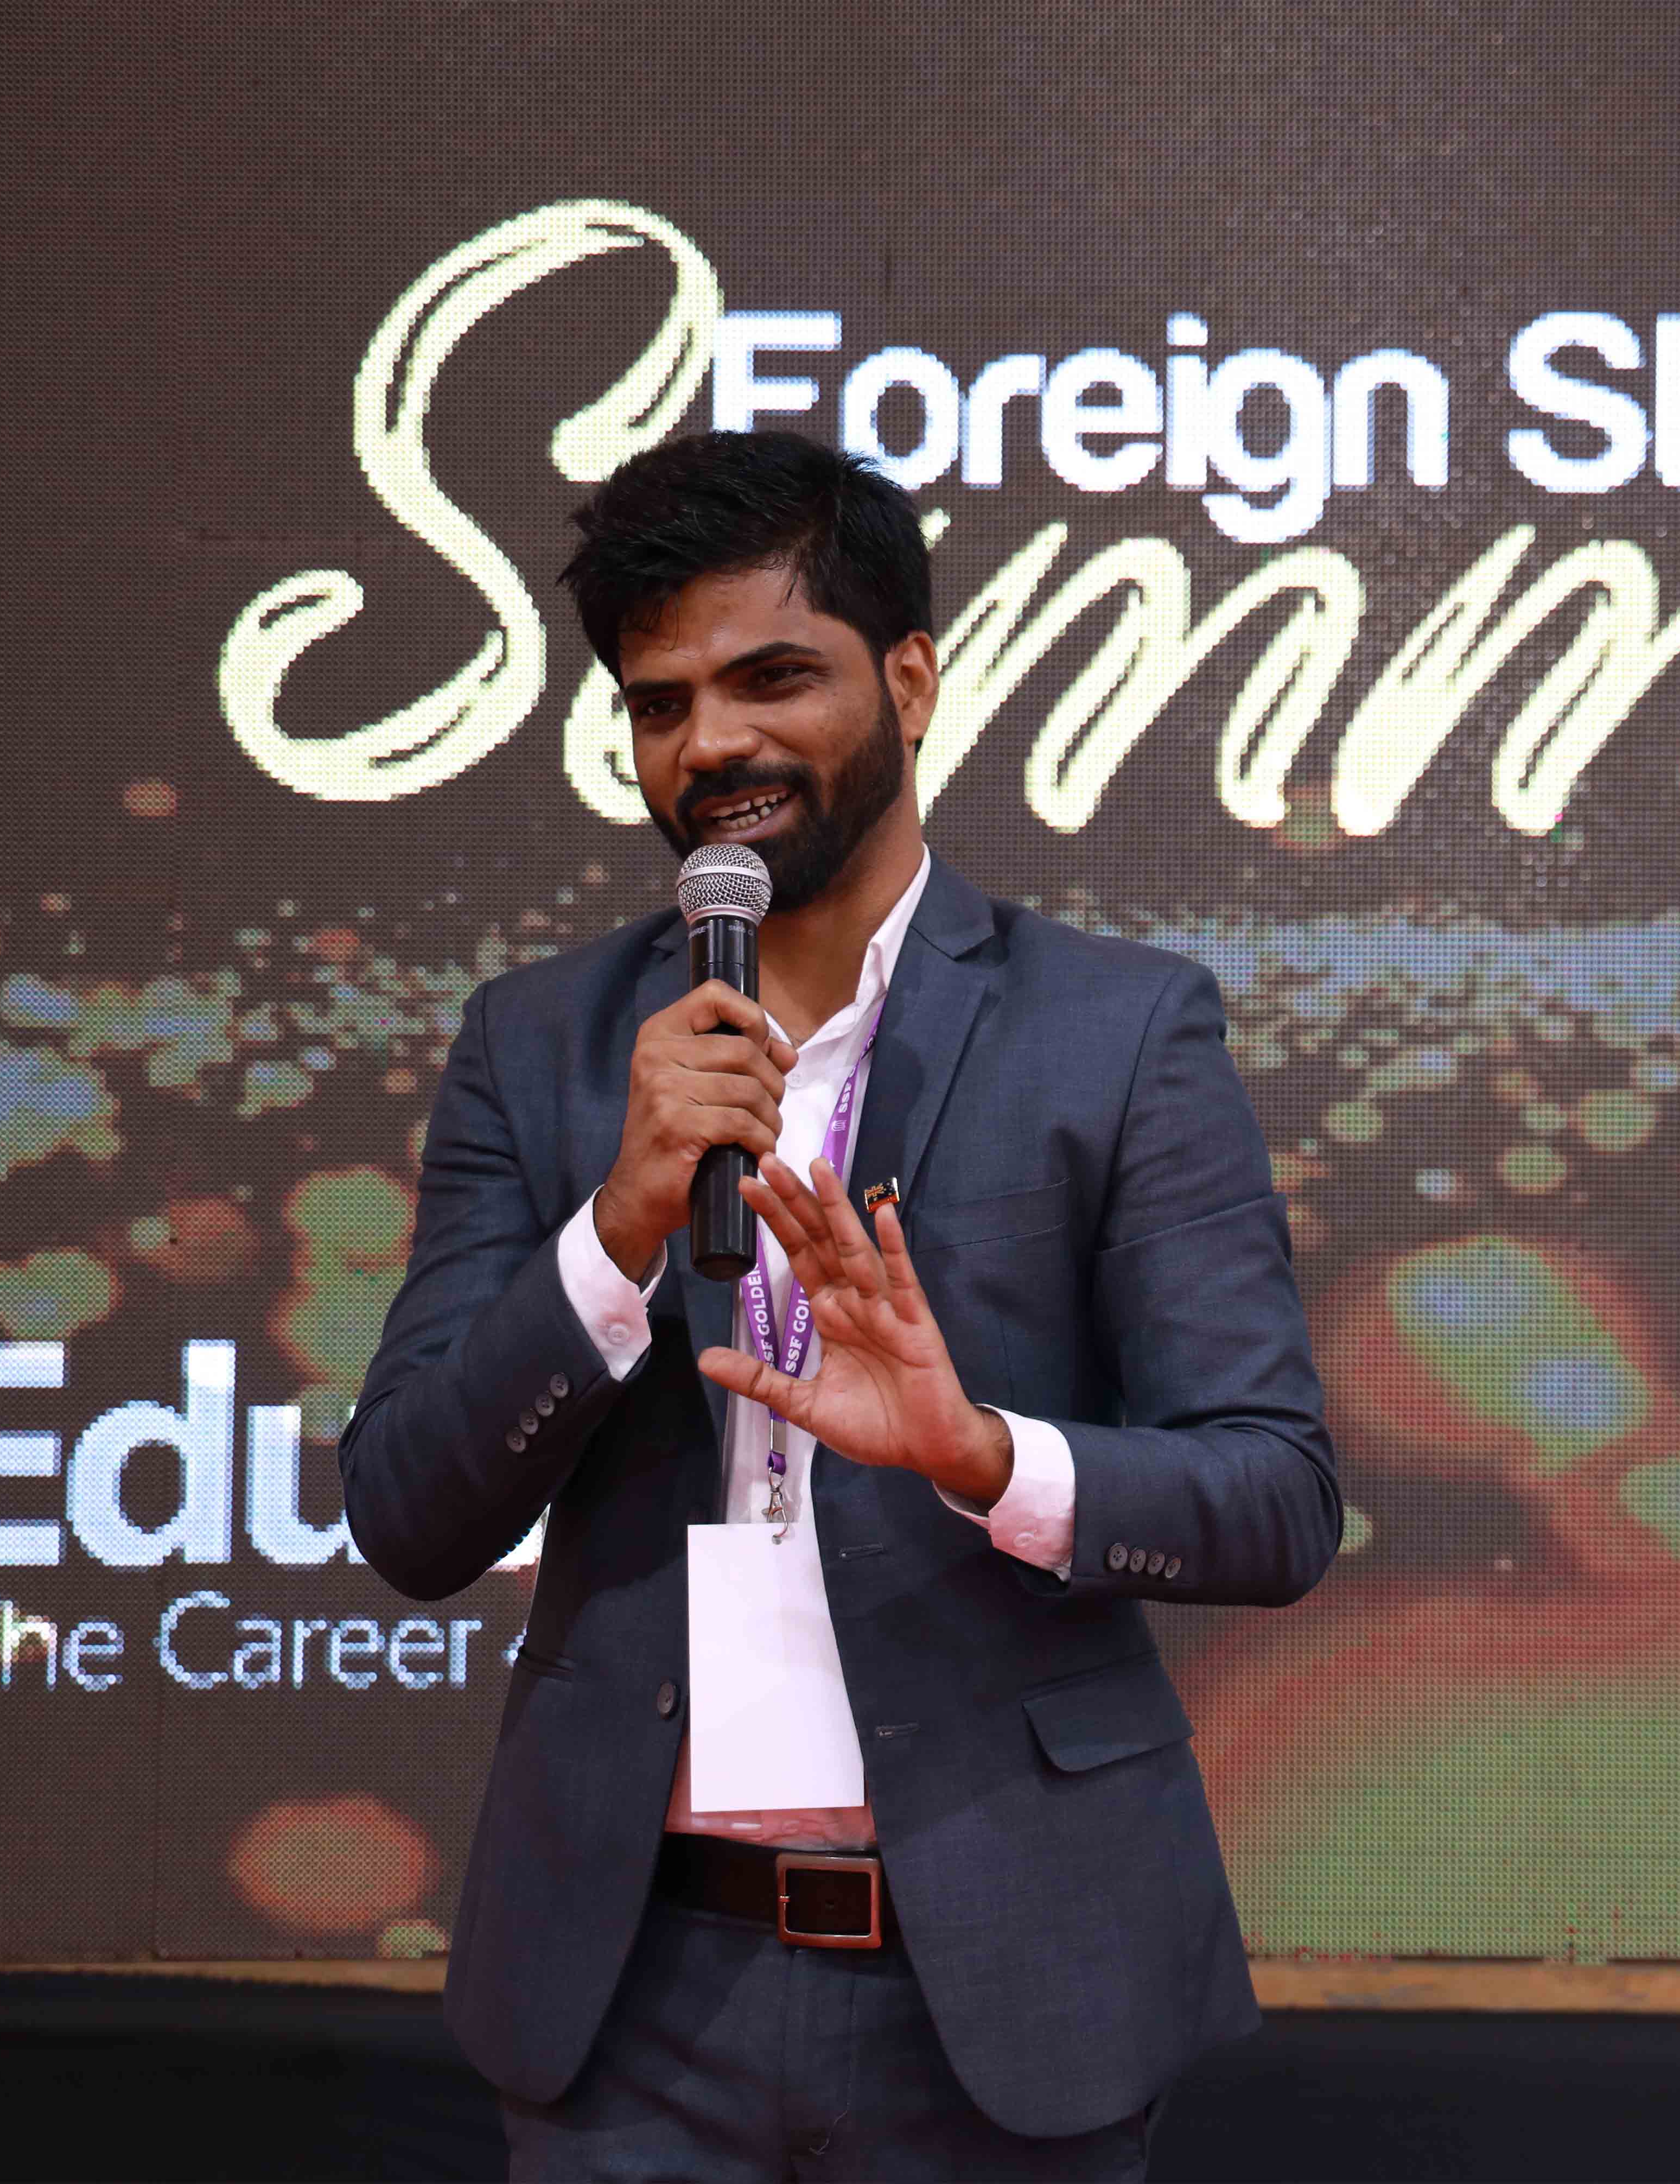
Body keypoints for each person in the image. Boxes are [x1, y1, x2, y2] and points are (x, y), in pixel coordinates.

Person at [338, 430, 1340, 2180]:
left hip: (1004, 1982)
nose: (711, 745)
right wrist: (619, 1229)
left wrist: (981, 1456)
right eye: (661, 705)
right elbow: (408, 1512)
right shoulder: (542, 1044)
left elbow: (1273, 1498)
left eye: (772, 678)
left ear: (912, 680)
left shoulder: (1116, 1030)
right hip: (630, 2000)